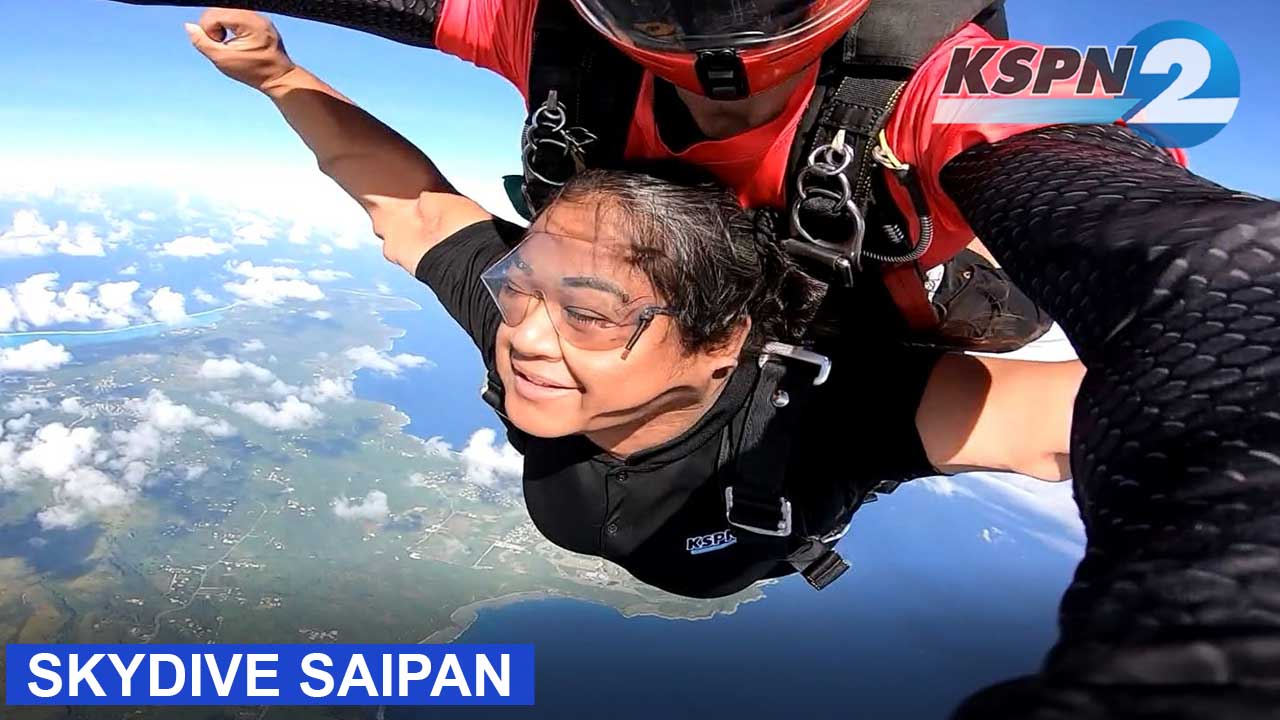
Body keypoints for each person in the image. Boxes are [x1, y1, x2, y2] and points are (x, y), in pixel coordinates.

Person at [178, 9, 1083, 599]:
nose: (524, 338)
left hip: (846, 323)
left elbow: (1076, 420)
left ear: (723, 343)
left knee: (955, 291)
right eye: (519, 287)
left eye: (592, 315)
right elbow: (408, 207)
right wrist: (278, 76)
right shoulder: (526, 316)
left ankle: (962, 255)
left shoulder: (826, 410)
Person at [112, 0, 1062, 354]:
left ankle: (965, 255)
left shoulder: (956, 78)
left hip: (877, 285)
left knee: (1001, 307)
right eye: (581, 311)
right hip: (792, 317)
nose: (531, 338)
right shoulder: (558, 31)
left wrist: (279, 78)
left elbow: (417, 213)